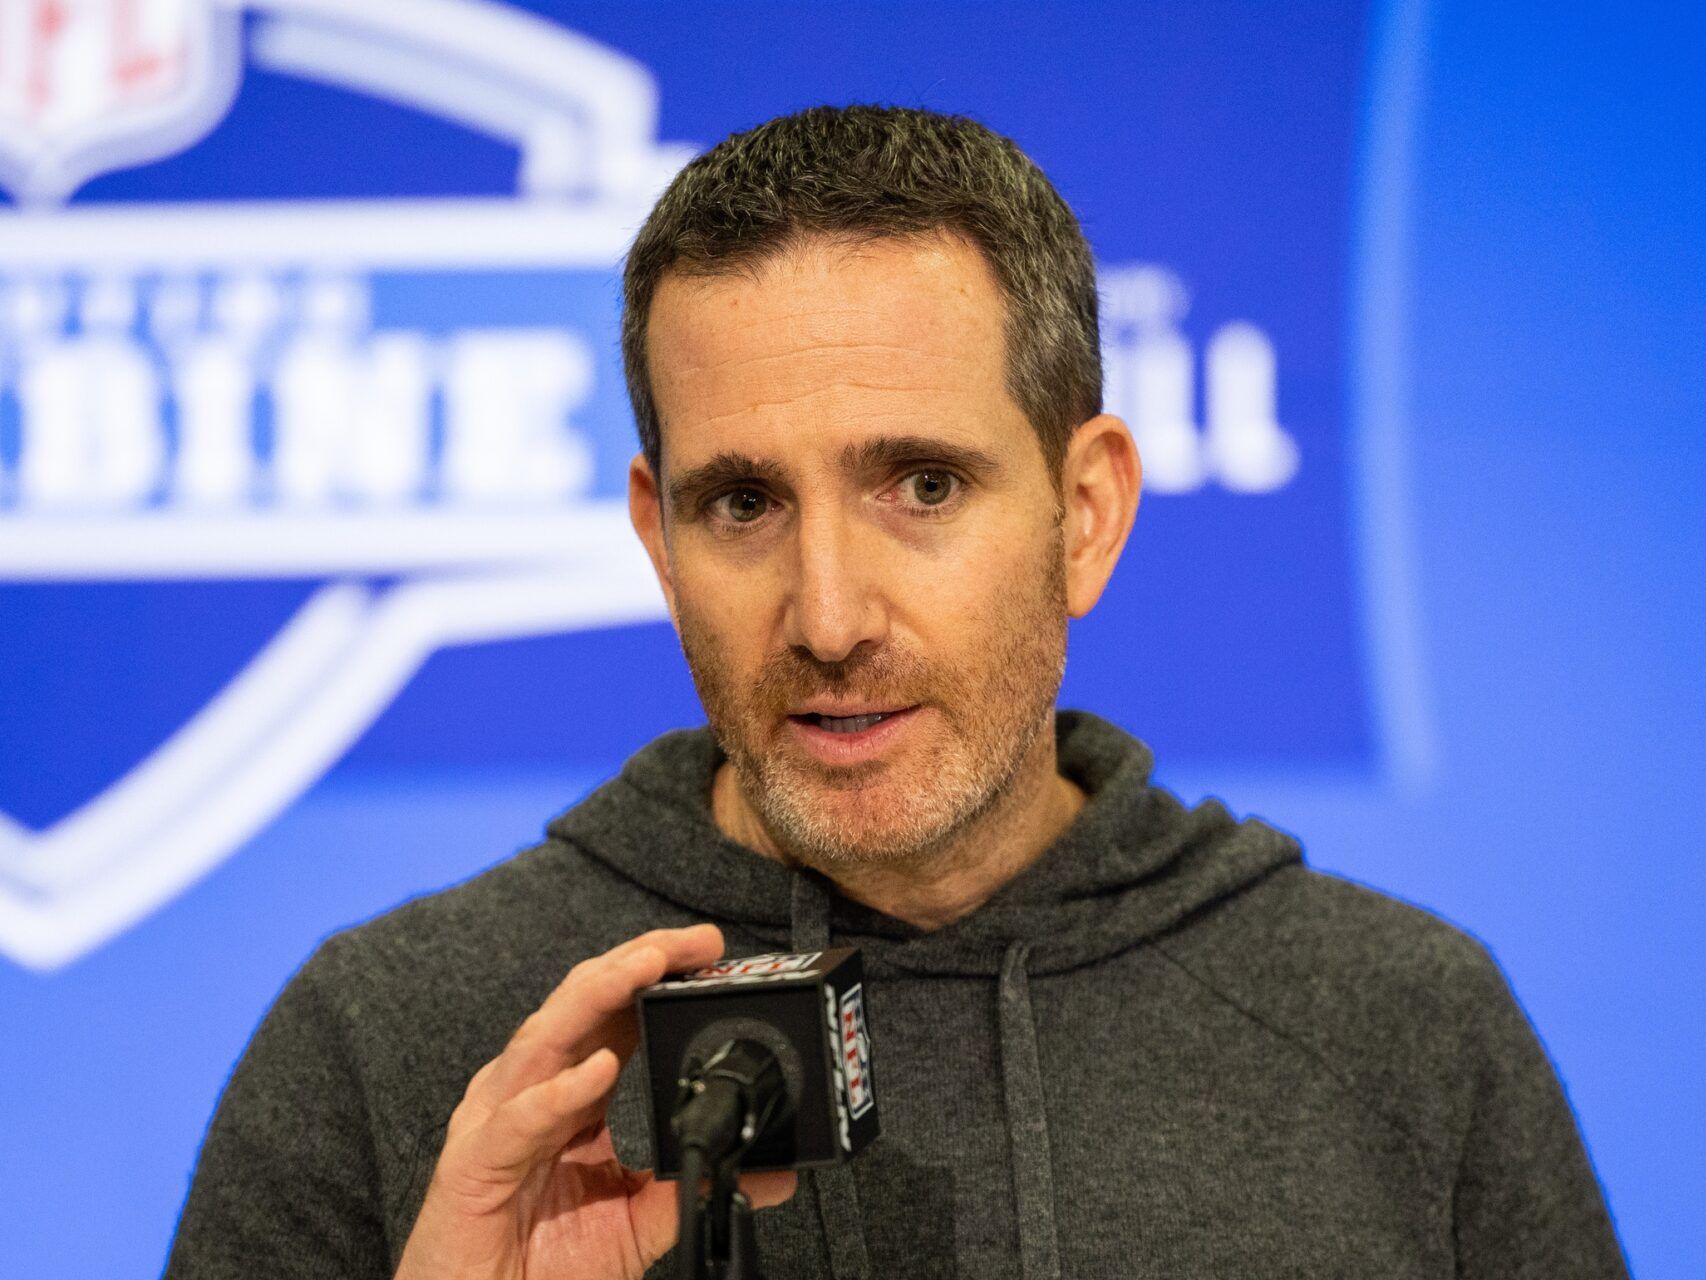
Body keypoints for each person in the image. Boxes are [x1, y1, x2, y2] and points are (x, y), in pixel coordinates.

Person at [164, 105, 1629, 1280]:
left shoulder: (1401, 1030)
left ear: (1087, 512)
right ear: (656, 538)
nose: (829, 616)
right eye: (740, 503)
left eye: (922, 485)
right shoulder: (403, 1045)